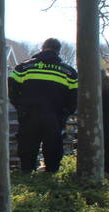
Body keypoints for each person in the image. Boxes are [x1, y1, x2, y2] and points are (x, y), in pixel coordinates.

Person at [8, 38, 78, 173]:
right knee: (53, 154)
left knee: (27, 153)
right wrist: (64, 114)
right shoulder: (69, 72)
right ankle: (50, 181)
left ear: (42, 48)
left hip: (29, 116)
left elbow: (11, 89)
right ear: (58, 51)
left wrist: (20, 107)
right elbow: (74, 99)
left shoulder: (24, 67)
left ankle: (27, 182)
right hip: (54, 118)